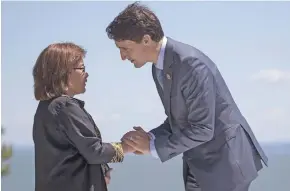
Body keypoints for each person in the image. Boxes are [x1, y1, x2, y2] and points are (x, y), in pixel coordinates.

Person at [106, 2, 268, 191]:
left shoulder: (190, 64)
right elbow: (179, 119)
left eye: (125, 48)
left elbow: (202, 128)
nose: (122, 56)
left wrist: (152, 147)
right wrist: (149, 138)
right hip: (199, 164)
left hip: (225, 166)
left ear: (146, 40)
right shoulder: (158, 67)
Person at [32, 42, 135, 191]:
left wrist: (103, 170)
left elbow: (76, 151)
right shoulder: (64, 107)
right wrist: (126, 147)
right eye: (82, 68)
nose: (86, 74)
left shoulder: (46, 108)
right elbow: (94, 151)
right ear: (64, 72)